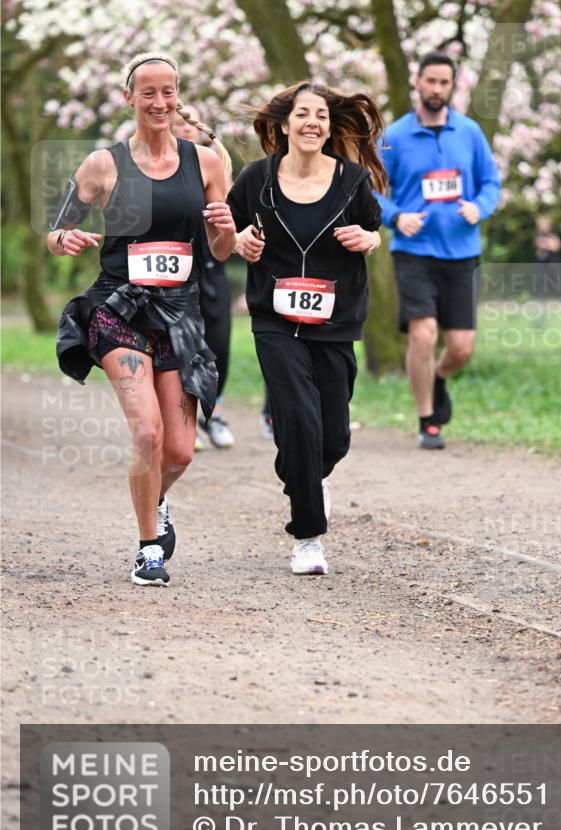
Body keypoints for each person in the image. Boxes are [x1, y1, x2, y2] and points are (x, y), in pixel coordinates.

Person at [48, 52, 236, 587]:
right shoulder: (102, 165)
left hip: (180, 313)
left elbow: (221, 250)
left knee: (179, 450)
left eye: (168, 92)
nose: (159, 102)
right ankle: (148, 547)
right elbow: (56, 232)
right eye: (148, 93)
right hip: (119, 311)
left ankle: (155, 500)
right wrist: (66, 239)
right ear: (128, 98)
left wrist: (224, 228)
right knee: (147, 432)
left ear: (178, 96)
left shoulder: (207, 164)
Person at [229, 81, 385, 575]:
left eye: (320, 114)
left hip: (335, 319)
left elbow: (374, 231)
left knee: (333, 436)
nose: (312, 122)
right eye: (302, 114)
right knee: (296, 417)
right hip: (275, 319)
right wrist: (238, 243)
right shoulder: (257, 179)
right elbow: (225, 231)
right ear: (284, 124)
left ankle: (304, 476)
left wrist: (367, 240)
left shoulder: (353, 181)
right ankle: (308, 539)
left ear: (329, 125)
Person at [376, 51, 501, 450]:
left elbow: (491, 183)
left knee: (461, 348)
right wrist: (396, 217)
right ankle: (427, 419)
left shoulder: (469, 133)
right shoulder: (394, 136)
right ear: (418, 82)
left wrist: (478, 207)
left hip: (462, 252)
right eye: (430, 81)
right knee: (424, 334)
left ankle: (439, 377)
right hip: (414, 252)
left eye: (444, 83)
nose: (436, 89)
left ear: (452, 86)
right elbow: (371, 192)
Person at [172, 104, 235, 449]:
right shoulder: (160, 169)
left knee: (219, 346)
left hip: (213, 269)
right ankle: (185, 417)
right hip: (177, 272)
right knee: (182, 346)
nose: (184, 129)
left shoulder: (216, 167)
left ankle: (213, 409)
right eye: (178, 123)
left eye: (189, 123)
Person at [533, 215, 561, 297]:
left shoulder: (552, 233)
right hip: (541, 260)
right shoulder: (538, 234)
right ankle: (539, 296)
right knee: (540, 277)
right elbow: (536, 244)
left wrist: (544, 243)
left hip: (552, 259)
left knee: (555, 277)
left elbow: (556, 247)